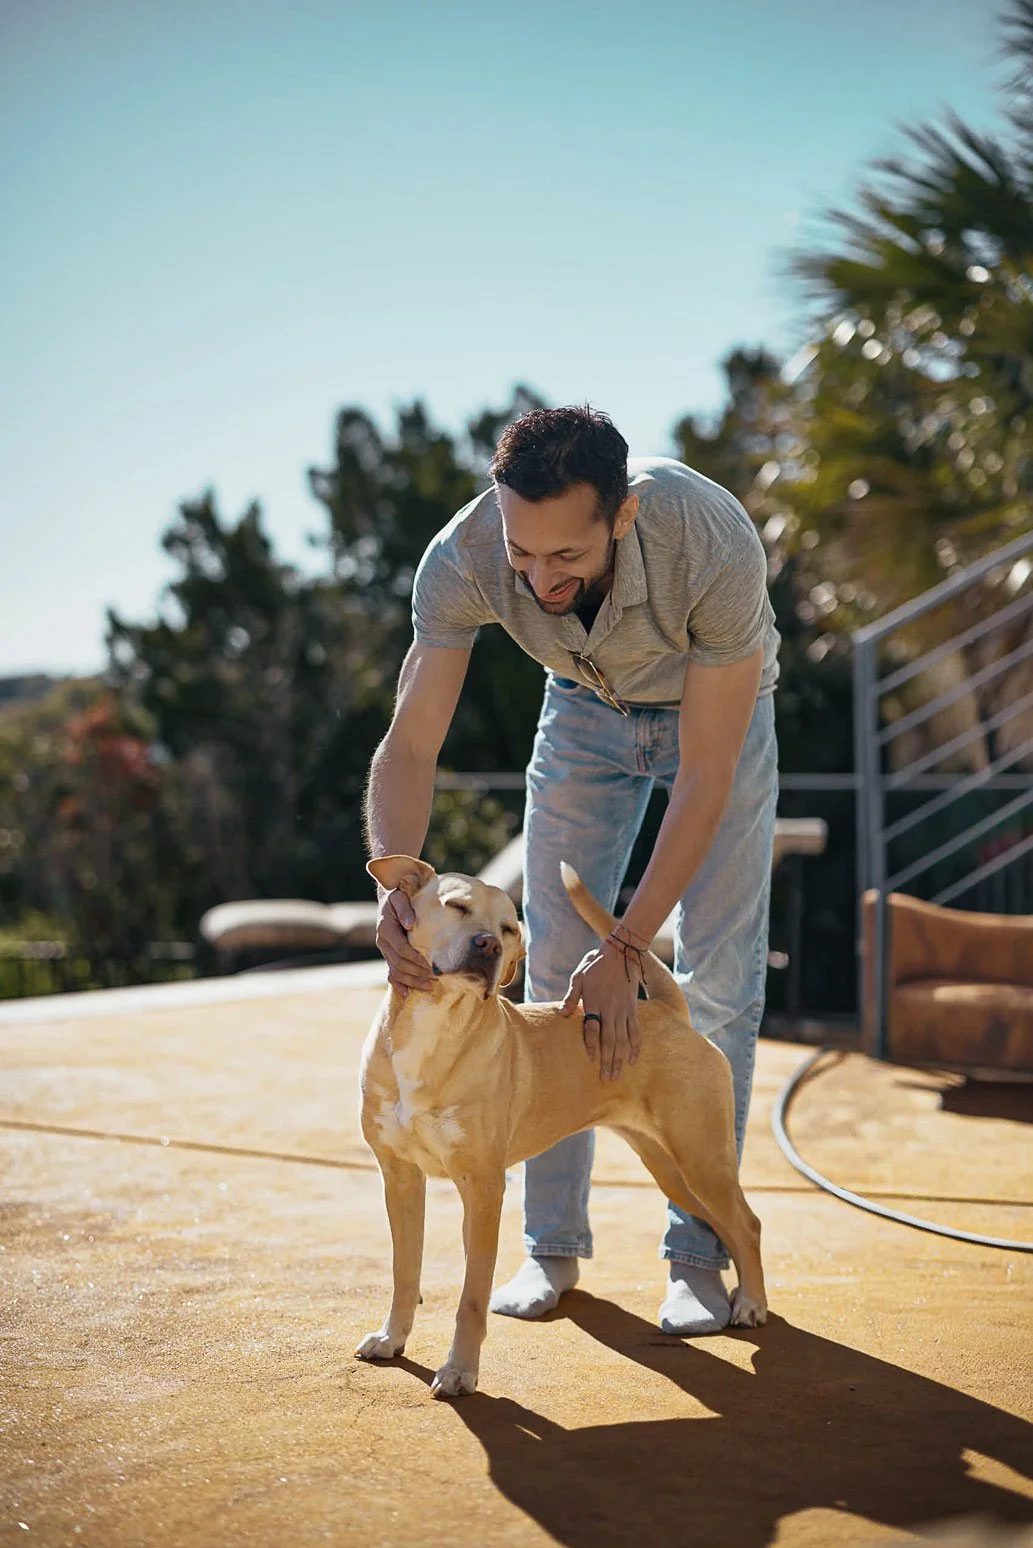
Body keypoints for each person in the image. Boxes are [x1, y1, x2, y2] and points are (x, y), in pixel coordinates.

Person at [364, 405, 779, 1335]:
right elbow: (411, 743)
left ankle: (698, 1258)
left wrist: (629, 943)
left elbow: (705, 778)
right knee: (548, 971)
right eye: (523, 553)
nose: (538, 577)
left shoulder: (708, 541)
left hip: (716, 705)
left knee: (713, 979)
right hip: (583, 707)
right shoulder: (464, 554)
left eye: (565, 557)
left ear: (621, 517)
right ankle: (550, 1249)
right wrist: (396, 895)